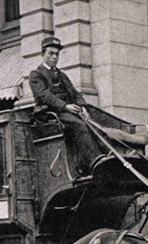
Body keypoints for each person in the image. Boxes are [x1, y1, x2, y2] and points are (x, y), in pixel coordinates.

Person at [29, 37, 106, 175]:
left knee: (93, 122)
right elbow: (44, 96)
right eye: (50, 53)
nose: (54, 57)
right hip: (49, 113)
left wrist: (82, 107)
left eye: (56, 54)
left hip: (66, 111)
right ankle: (94, 160)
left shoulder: (61, 74)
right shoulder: (36, 75)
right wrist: (65, 106)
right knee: (79, 125)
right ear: (43, 54)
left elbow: (74, 93)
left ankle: (105, 157)